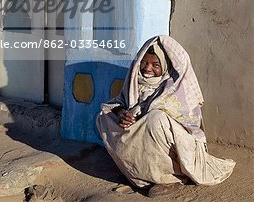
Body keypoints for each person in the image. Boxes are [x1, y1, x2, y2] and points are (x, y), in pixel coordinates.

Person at [96, 35, 235, 197]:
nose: (147, 69)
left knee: (156, 120)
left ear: (166, 66)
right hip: (143, 130)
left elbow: (179, 121)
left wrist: (139, 115)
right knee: (104, 117)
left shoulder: (176, 87)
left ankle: (170, 177)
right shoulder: (135, 82)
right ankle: (138, 172)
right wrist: (122, 114)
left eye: (155, 65)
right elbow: (120, 102)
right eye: (144, 63)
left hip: (180, 142)